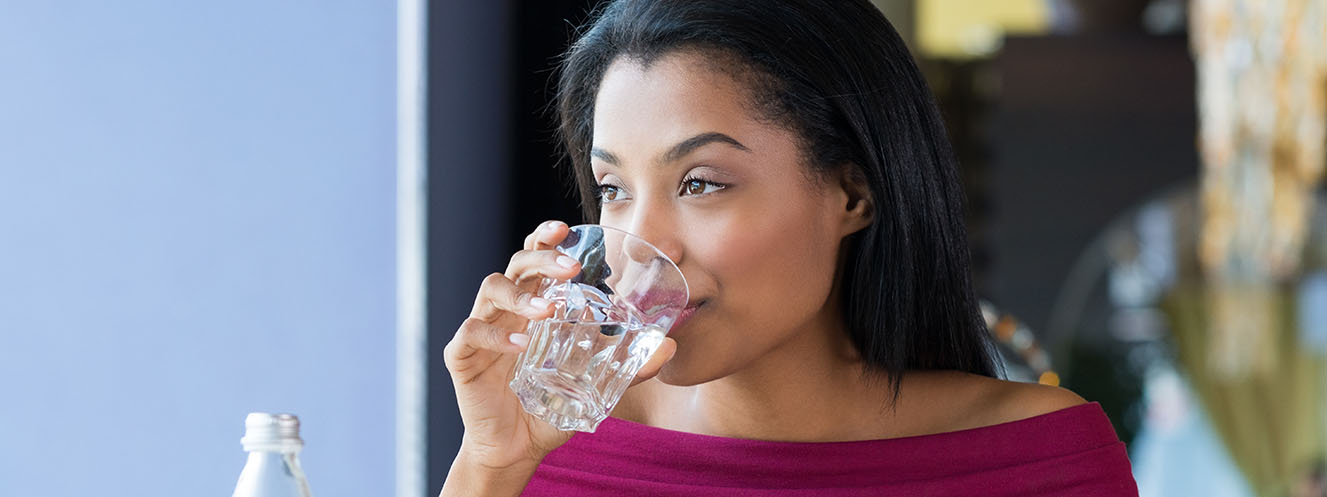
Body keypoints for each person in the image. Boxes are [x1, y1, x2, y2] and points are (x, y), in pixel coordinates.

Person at [441, 0, 1139, 495]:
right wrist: (491, 464)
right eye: (614, 188)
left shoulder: (1037, 460)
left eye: (701, 183)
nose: (638, 246)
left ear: (852, 194)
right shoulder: (549, 448)